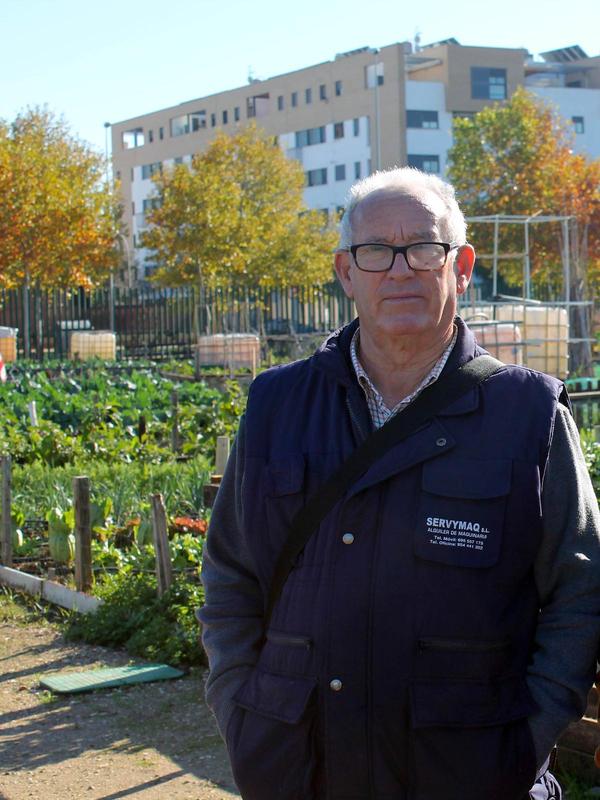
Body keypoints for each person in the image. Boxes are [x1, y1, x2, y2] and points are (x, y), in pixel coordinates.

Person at [199, 167, 600, 800]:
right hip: (298, 768)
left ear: (461, 267)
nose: (400, 269)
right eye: (376, 250)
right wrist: (241, 713)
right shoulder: (277, 405)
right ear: (346, 272)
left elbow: (580, 592)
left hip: (468, 773)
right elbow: (230, 574)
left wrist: (523, 744)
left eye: (423, 247)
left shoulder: (529, 415)